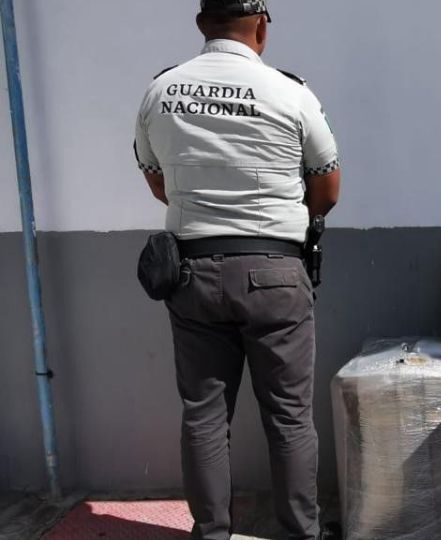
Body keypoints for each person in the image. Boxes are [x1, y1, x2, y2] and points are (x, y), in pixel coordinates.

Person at [133, 1, 341, 538]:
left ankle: (212, 534)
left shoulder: (162, 90)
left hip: (192, 275)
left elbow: (156, 179)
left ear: (202, 24)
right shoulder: (290, 92)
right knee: (290, 418)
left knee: (203, 417)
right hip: (276, 274)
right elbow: (327, 184)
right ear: (261, 27)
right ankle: (301, 533)